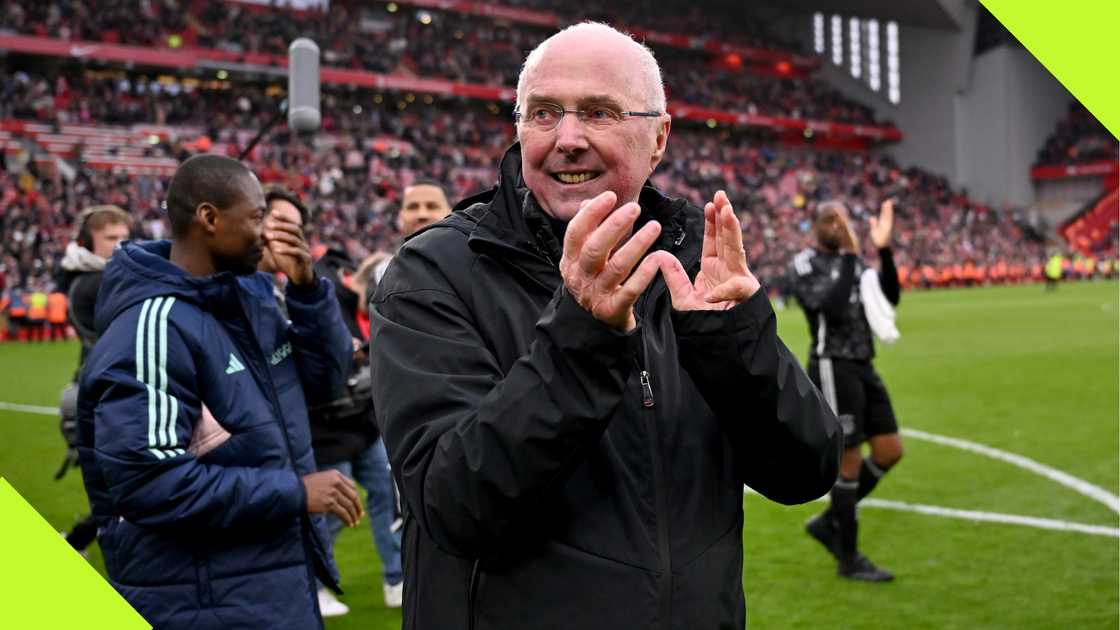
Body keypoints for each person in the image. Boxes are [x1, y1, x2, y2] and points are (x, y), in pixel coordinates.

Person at [369, 23, 841, 629]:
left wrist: (735, 343)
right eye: (544, 114)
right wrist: (582, 336)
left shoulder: (693, 264)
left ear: (659, 137)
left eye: (598, 112)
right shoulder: (435, 271)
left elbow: (806, 471)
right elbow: (452, 506)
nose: (567, 139)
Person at [75, 154, 362, 629]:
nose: (267, 233)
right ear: (209, 218)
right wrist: (292, 491)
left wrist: (308, 289)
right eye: (256, 217)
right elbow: (148, 484)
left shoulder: (248, 299)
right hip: (199, 598)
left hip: (269, 583)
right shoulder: (155, 324)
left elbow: (327, 382)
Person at [260, 188, 404, 615]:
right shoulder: (310, 293)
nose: (284, 234)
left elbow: (332, 361)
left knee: (386, 500)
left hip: (360, 421)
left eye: (294, 226)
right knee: (331, 510)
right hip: (323, 427)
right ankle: (317, 582)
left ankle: (395, 577)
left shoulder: (302, 289)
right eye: (273, 219)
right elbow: (324, 368)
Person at [789, 199, 903, 582]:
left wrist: (883, 250)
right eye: (828, 219)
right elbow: (831, 308)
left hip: (863, 364)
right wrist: (853, 258)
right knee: (849, 458)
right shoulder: (805, 263)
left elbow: (890, 296)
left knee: (889, 450)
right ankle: (849, 558)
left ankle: (828, 522)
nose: (835, 225)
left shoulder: (854, 264)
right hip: (831, 365)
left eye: (841, 219)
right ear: (816, 226)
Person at [56, 204, 132, 552]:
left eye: (124, 238)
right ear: (88, 243)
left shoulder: (96, 275)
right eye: (111, 238)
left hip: (105, 384)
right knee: (123, 482)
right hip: (108, 390)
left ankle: (80, 541)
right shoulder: (95, 282)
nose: (120, 245)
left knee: (120, 482)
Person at [371, 180, 453, 284]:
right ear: (401, 217)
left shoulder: (472, 267)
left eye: (432, 206)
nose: (422, 215)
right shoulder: (381, 276)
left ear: (451, 213)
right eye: (413, 207)